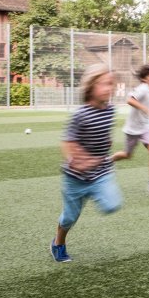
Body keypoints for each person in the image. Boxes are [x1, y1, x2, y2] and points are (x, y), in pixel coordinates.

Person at [50, 64, 123, 263]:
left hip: (101, 171)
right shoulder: (80, 114)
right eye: (104, 84)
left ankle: (95, 191)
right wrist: (76, 160)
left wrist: (105, 145)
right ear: (91, 87)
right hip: (75, 177)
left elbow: (104, 135)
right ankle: (58, 243)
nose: (109, 88)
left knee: (112, 205)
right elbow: (66, 142)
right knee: (69, 218)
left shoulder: (110, 111)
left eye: (111, 84)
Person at [112, 64, 149, 199]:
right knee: (127, 155)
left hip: (146, 127)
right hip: (133, 128)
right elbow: (130, 100)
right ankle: (107, 161)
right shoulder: (142, 89)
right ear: (144, 78)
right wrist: (144, 109)